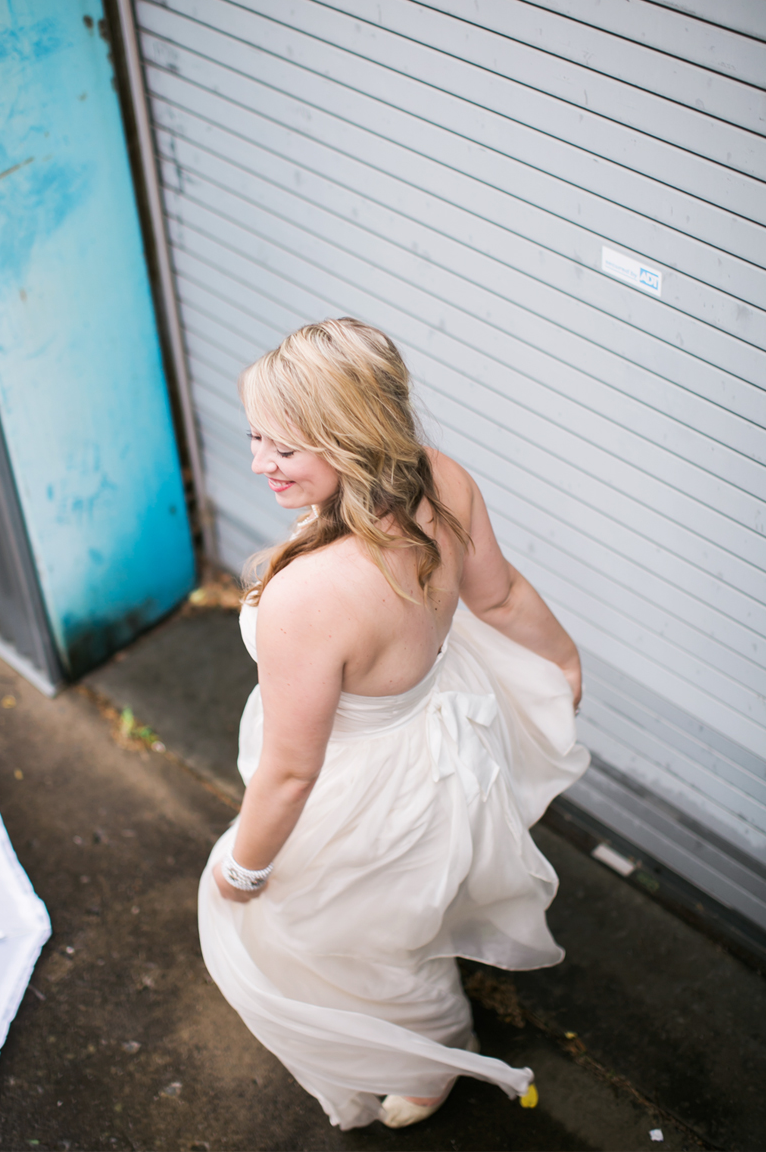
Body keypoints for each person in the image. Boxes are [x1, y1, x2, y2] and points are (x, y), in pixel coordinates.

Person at [198, 318, 590, 1130]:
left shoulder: (308, 599)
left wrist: (241, 868)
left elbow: (292, 771)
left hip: (356, 785)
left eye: (283, 449)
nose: (257, 464)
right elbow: (502, 596)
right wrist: (564, 661)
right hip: (439, 740)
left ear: (349, 441)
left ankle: (433, 1057)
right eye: (255, 438)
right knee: (402, 914)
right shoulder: (443, 479)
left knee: (348, 936)